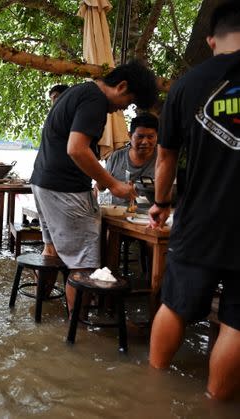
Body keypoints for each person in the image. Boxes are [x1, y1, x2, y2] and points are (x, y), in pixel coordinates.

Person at [148, 1, 240, 401]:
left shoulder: (187, 85)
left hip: (198, 217)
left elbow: (166, 157)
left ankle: (148, 393)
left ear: (210, 39)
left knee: (176, 305)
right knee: (237, 324)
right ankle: (215, 403)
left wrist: (161, 202)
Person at [30, 60, 158, 308]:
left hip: (42, 182)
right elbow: (76, 149)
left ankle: (40, 313)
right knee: (85, 266)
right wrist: (113, 184)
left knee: (52, 251)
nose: (122, 109)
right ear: (121, 86)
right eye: (129, 102)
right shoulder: (95, 101)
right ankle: (78, 335)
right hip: (65, 189)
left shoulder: (78, 91)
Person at [101, 112, 159, 205]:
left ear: (157, 136)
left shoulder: (162, 159)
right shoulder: (116, 157)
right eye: (140, 136)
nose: (145, 142)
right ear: (130, 135)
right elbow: (100, 187)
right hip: (118, 214)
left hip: (152, 215)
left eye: (150, 137)